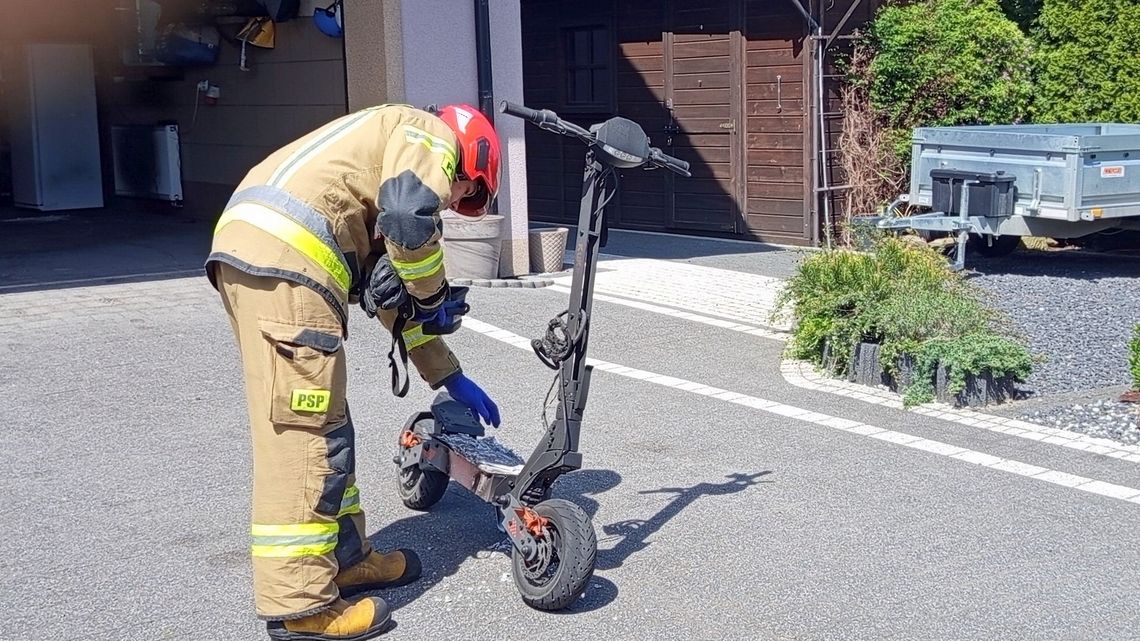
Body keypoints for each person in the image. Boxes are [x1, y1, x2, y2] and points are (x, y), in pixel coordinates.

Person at [204, 103, 503, 641]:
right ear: (471, 159)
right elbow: (412, 221)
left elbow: (391, 299)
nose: (456, 205)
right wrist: (434, 293)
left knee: (331, 428)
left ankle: (345, 559)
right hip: (289, 261)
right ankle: (302, 608)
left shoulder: (377, 159)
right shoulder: (431, 134)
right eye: (465, 195)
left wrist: (447, 374)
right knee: (303, 436)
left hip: (271, 250)